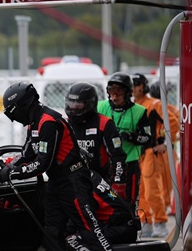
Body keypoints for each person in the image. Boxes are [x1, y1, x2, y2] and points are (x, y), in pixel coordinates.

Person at [0, 82, 112, 251]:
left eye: (13, 113)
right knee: (52, 233)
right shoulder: (34, 123)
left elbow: (43, 162)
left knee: (89, 228)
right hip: (56, 183)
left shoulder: (48, 121)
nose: (15, 118)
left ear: (23, 105)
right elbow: (27, 154)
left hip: (74, 181)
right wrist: (6, 166)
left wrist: (14, 173)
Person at [96, 72, 151, 220]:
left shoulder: (139, 111)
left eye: (119, 91)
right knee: (103, 201)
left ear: (127, 93)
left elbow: (147, 138)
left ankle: (130, 226)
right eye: (111, 91)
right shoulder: (100, 106)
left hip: (128, 164)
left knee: (128, 203)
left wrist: (131, 136)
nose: (114, 95)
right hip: (106, 165)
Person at [132, 75, 179, 238]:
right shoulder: (133, 107)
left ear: (143, 86)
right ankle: (146, 223)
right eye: (132, 85)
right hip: (138, 153)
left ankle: (160, 222)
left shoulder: (154, 105)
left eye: (136, 84)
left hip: (151, 153)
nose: (134, 88)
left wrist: (165, 144)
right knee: (140, 192)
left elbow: (173, 124)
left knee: (152, 191)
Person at [64, 82, 127, 199]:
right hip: (72, 182)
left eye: (78, 105)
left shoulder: (105, 124)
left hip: (100, 182)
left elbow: (117, 155)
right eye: (71, 104)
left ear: (90, 103)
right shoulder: (65, 124)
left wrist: (118, 182)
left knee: (117, 206)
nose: (74, 108)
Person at [149, 81, 181, 217]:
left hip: (167, 149)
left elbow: (179, 131)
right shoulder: (152, 107)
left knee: (167, 181)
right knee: (155, 181)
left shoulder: (173, 110)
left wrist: (168, 138)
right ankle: (158, 207)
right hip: (154, 150)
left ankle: (165, 206)